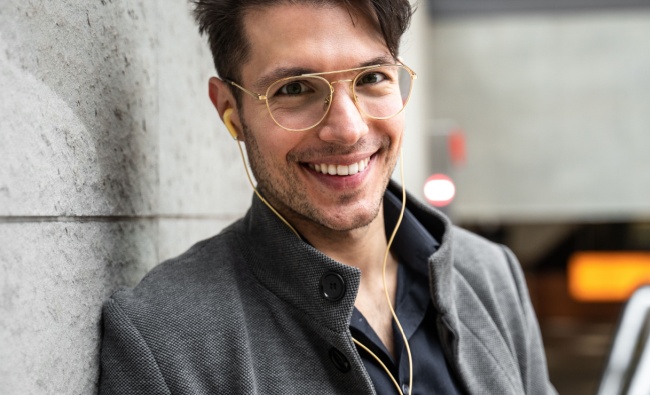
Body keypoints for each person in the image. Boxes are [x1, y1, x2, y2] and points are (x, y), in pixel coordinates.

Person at [99, 0, 557, 394]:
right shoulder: (163, 340)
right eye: (294, 88)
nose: (348, 130)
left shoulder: (491, 275)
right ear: (230, 112)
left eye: (371, 77)